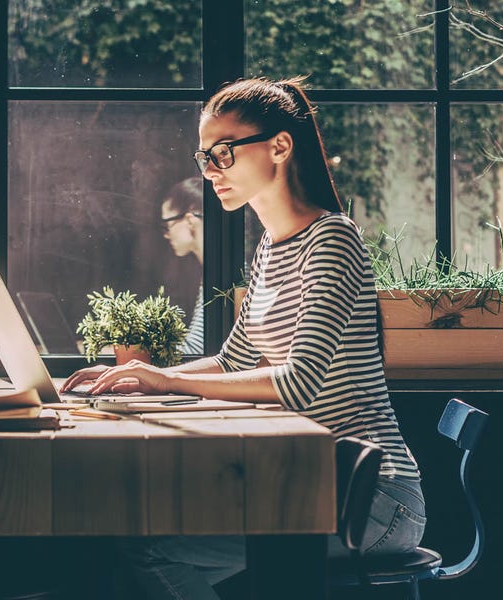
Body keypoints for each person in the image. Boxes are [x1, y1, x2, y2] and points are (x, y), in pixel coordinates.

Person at [61, 76, 425, 599]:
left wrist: (163, 378)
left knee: (150, 549)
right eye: (204, 156)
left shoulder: (333, 238)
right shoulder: (270, 250)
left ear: (279, 146)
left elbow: (297, 384)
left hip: (374, 501)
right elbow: (234, 361)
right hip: (306, 485)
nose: (210, 171)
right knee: (130, 536)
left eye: (224, 153)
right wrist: (137, 380)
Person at [160, 176, 204, 355]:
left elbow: (196, 351)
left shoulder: (221, 276)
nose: (166, 235)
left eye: (167, 224)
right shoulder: (211, 273)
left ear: (189, 220)